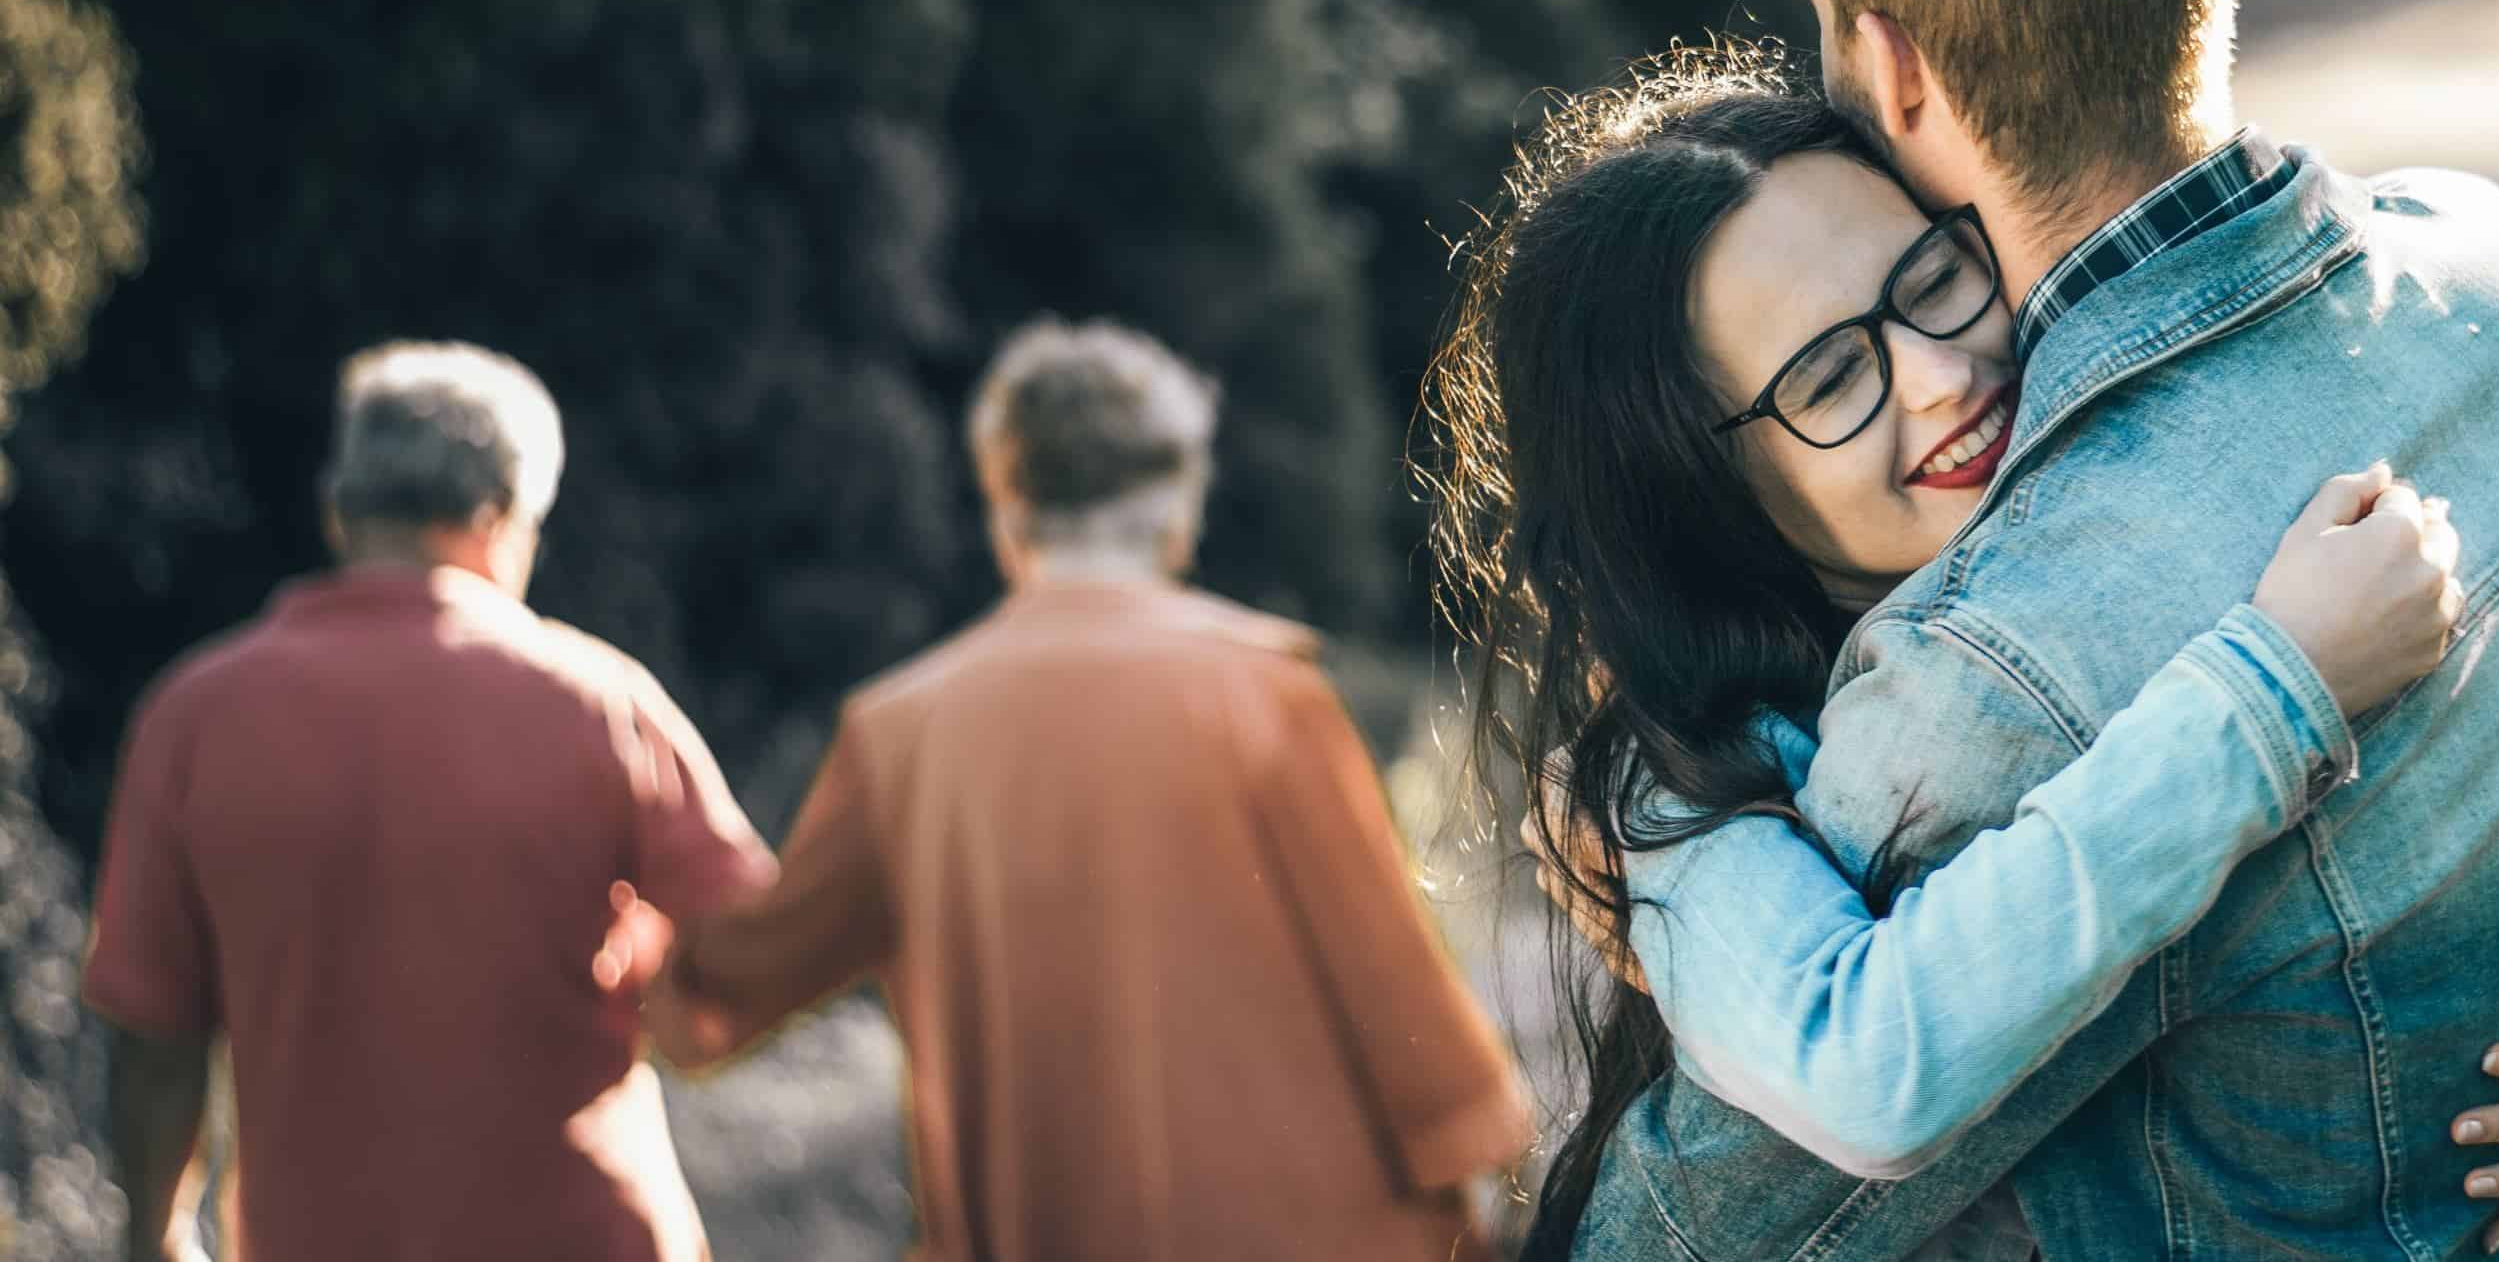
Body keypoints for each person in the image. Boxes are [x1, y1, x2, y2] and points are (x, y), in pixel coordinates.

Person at [1466, 0, 2499, 1261]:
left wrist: (1682, 893)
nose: (1924, 378)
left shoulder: (1997, 669)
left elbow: (1697, 1225)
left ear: (1887, 62)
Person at [625, 319, 1529, 1262]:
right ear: (1179, 508)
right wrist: (1478, 1152)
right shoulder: (1264, 691)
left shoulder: (898, 733)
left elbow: (732, 984)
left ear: (1007, 510)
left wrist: (621, 926)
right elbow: (1385, 968)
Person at [82, 341, 772, 1262]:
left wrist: (158, 1237)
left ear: (340, 514)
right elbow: (757, 955)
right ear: (500, 519)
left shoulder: (194, 715)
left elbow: (154, 1040)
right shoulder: (602, 703)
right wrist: (659, 984)